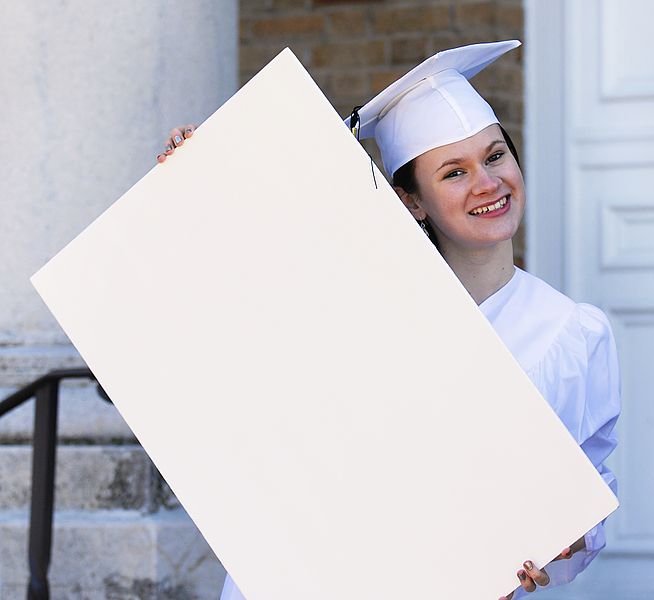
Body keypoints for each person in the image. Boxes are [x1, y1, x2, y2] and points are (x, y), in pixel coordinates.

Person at [159, 40, 620, 600]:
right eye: (454, 172)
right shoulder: (348, 303)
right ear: (412, 202)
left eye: (495, 156)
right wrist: (195, 186)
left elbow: (587, 487)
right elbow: (227, 317)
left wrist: (566, 541)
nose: (487, 184)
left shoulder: (570, 332)